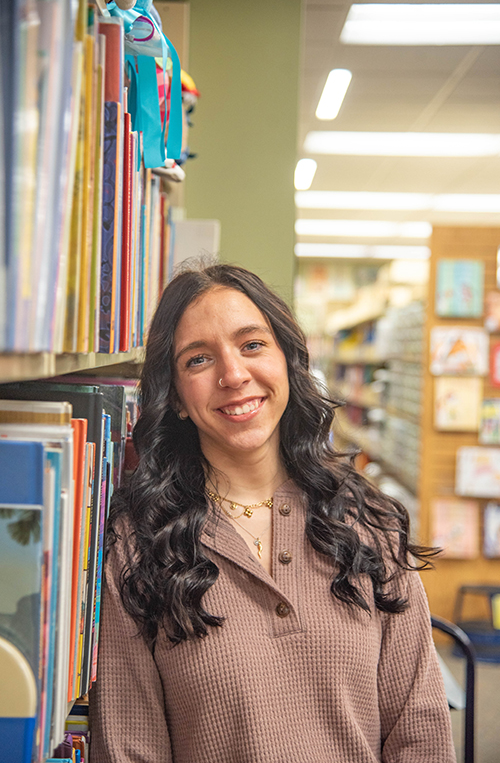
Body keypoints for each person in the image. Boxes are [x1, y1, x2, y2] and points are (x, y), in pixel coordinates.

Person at [89, 263, 456, 763]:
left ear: (288, 360)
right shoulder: (138, 547)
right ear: (174, 396)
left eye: (252, 345)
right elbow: (131, 748)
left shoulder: (369, 524)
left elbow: (421, 733)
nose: (234, 374)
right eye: (198, 359)